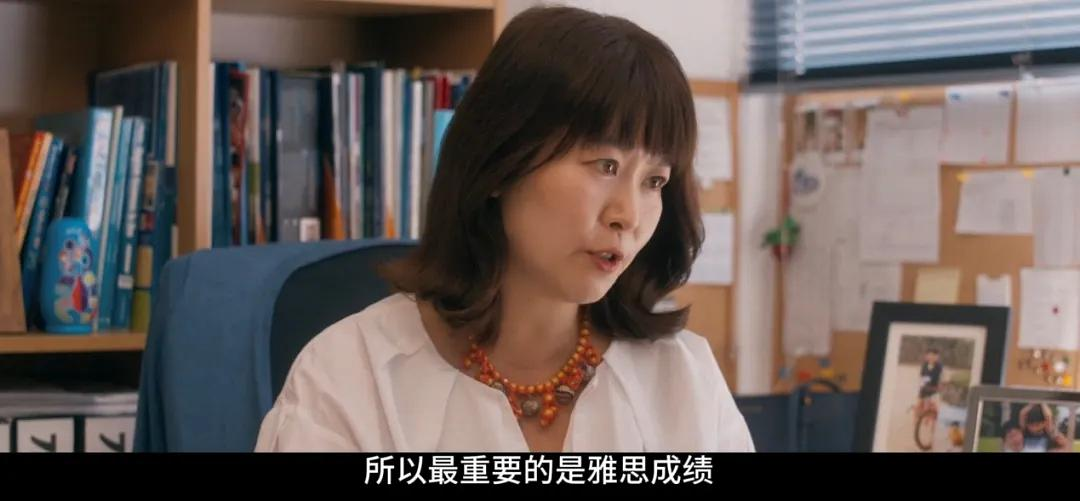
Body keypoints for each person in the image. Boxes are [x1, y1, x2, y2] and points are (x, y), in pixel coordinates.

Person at [254, 6, 754, 453]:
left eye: (654, 181)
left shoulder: (684, 380)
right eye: (605, 165)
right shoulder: (350, 378)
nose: (628, 215)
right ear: (501, 162)